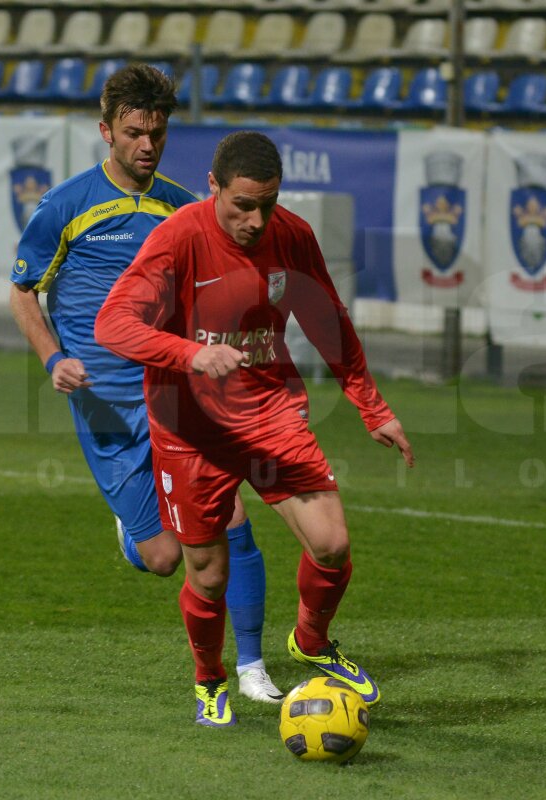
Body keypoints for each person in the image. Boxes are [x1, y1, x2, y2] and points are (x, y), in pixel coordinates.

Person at [95, 131, 414, 727]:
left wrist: (373, 408)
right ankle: (209, 680)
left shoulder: (291, 235)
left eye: (267, 203)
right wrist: (189, 355)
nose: (255, 219)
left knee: (332, 544)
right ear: (213, 187)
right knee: (209, 576)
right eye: (242, 204)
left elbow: (328, 321)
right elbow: (112, 324)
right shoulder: (178, 238)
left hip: (268, 410)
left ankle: (312, 642)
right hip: (188, 428)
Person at [7, 65, 284, 704]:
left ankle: (250, 666)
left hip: (175, 394)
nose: (147, 146)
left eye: (156, 133)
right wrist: (54, 360)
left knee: (229, 516)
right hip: (105, 406)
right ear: (106, 131)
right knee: (162, 557)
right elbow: (23, 292)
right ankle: (133, 532)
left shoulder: (184, 208)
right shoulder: (66, 206)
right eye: (134, 133)